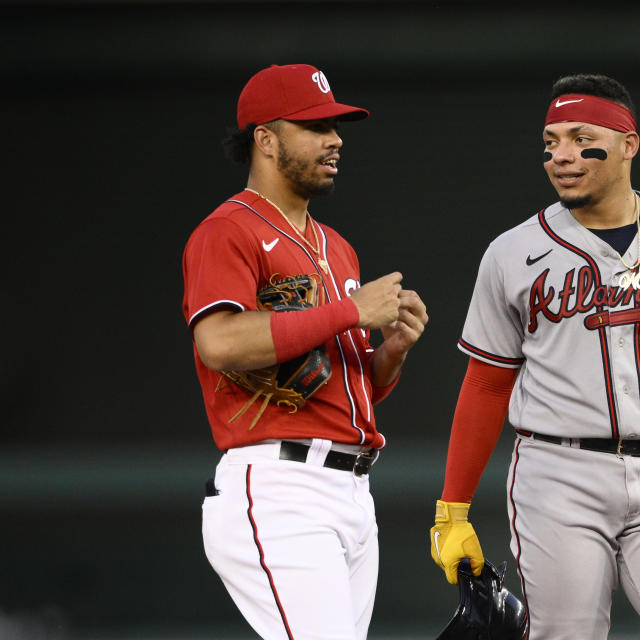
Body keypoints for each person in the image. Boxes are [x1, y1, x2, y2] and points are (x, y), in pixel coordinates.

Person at [429, 73, 640, 640]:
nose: (560, 156)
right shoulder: (512, 253)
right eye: (550, 142)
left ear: (627, 144)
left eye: (579, 138)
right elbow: (486, 384)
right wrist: (454, 507)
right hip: (556, 476)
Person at [182, 63, 428, 640]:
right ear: (265, 139)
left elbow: (347, 386)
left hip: (351, 488)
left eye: (336, 126)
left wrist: (390, 352)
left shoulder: (335, 246)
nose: (335, 138)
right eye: (316, 126)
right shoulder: (228, 230)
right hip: (278, 486)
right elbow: (217, 342)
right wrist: (349, 312)